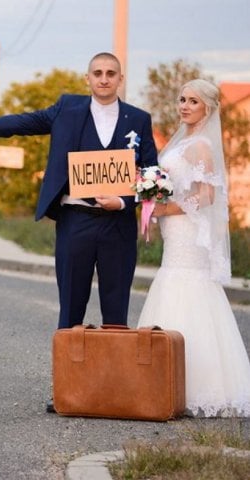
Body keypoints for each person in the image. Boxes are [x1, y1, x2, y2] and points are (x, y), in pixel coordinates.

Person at [0, 52, 157, 331]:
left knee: (116, 313)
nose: (104, 79)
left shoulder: (138, 119)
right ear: (87, 78)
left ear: (120, 79)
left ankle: (110, 374)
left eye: (110, 74)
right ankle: (69, 374)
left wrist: (125, 201)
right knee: (70, 309)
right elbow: (20, 123)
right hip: (75, 221)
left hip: (118, 226)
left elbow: (152, 172)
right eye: (98, 73)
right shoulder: (67, 109)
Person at [136, 79, 250, 417]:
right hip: (175, 230)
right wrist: (152, 199)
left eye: (193, 102)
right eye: (182, 99)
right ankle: (163, 382)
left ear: (208, 108)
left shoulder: (201, 145)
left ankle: (198, 383)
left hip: (188, 230)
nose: (184, 106)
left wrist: (166, 208)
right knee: (171, 282)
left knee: (186, 286)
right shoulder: (180, 141)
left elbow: (207, 196)